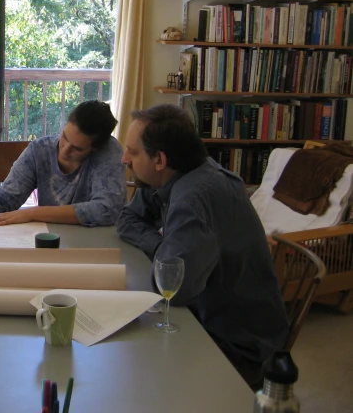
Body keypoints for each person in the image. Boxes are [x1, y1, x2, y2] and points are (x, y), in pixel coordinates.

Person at [117, 104, 288, 389]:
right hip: (214, 316)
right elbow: (127, 219)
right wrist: (162, 244)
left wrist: (162, 253)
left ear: (159, 159)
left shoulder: (192, 200)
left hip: (239, 343)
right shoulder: (176, 173)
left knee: (133, 373)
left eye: (132, 152)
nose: (125, 159)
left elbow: (172, 289)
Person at [0, 100, 126, 227]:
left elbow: (107, 210)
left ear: (96, 148)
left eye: (77, 149)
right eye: (64, 137)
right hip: (49, 240)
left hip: (94, 243)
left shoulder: (109, 151)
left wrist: (33, 213)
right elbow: (5, 201)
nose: (65, 149)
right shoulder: (39, 150)